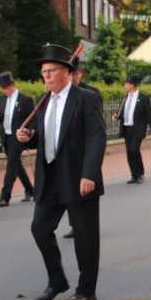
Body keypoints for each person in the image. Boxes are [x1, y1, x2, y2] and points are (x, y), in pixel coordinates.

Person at [16, 44, 106, 300]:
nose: (46, 76)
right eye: (44, 72)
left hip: (78, 178)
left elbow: (96, 137)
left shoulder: (85, 98)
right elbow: (47, 137)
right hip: (49, 177)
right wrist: (29, 137)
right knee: (39, 228)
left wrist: (89, 174)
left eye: (51, 70)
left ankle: (86, 290)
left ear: (66, 72)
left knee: (85, 236)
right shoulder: (43, 100)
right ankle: (56, 281)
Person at [63, 62, 103, 239]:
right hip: (66, 155)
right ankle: (74, 224)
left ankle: (85, 228)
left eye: (76, 74)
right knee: (69, 193)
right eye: (71, 74)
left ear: (80, 75)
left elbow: (96, 128)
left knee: (84, 197)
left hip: (84, 152)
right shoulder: (57, 94)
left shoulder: (91, 94)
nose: (73, 77)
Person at [0, 72, 34, 206]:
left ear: (11, 85)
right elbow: (0, 118)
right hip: (6, 136)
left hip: (18, 137)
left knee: (11, 166)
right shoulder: (1, 99)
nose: (3, 90)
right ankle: (30, 190)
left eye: (4, 87)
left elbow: (33, 119)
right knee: (16, 165)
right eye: (1, 88)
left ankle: (5, 197)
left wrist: (28, 133)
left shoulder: (25, 100)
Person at [114, 75, 151, 184]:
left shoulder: (143, 98)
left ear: (133, 85)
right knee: (129, 152)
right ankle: (134, 175)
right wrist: (116, 116)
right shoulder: (125, 97)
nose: (124, 85)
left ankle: (140, 174)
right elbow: (121, 112)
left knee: (134, 150)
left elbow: (149, 114)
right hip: (126, 128)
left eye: (126, 83)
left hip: (137, 128)